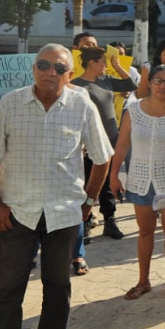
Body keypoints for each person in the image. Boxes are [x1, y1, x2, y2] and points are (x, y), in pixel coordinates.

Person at [0, 44, 112, 329]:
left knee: (58, 285)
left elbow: (102, 158)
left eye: (58, 67)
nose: (49, 71)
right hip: (17, 213)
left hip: (63, 213)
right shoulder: (10, 104)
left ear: (69, 74)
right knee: (7, 290)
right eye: (42, 65)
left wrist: (88, 202)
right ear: (33, 69)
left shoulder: (81, 106)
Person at [110, 63, 165, 300]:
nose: (162, 86)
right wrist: (113, 174)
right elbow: (122, 144)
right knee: (145, 232)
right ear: (149, 83)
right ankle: (143, 280)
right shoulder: (133, 110)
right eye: (158, 80)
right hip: (140, 180)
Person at [69, 46, 128, 273]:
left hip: (110, 139)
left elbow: (131, 85)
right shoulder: (76, 84)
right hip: (87, 143)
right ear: (92, 62)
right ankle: (84, 228)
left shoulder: (106, 80)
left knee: (107, 183)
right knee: (87, 184)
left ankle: (110, 221)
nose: (106, 65)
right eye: (103, 62)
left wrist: (117, 66)